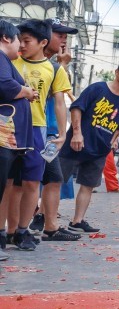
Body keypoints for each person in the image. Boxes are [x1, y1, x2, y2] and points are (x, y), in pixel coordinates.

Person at [2, 19, 71, 249]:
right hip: (10, 127)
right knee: (8, 183)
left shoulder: (54, 69)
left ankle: (22, 231)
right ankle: (5, 231)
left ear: (43, 42)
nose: (21, 45)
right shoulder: (10, 61)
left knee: (33, 183)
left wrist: (62, 133)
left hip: (37, 129)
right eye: (18, 40)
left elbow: (60, 103)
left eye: (26, 41)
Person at [58, 60, 119, 234]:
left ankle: (77, 221)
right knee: (56, 182)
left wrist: (111, 143)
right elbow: (76, 108)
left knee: (88, 185)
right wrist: (77, 133)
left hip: (99, 150)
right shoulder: (97, 88)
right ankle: (42, 216)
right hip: (76, 143)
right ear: (117, 71)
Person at [33, 18, 79, 241]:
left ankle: (46, 223)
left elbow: (63, 98)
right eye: (59, 35)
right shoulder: (33, 64)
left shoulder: (54, 66)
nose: (64, 40)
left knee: (52, 178)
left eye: (66, 37)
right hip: (35, 130)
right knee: (29, 180)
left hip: (50, 133)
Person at [0, 19, 38, 252]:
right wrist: (25, 91)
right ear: (6, 38)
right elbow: (4, 85)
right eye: (17, 40)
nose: (20, 47)